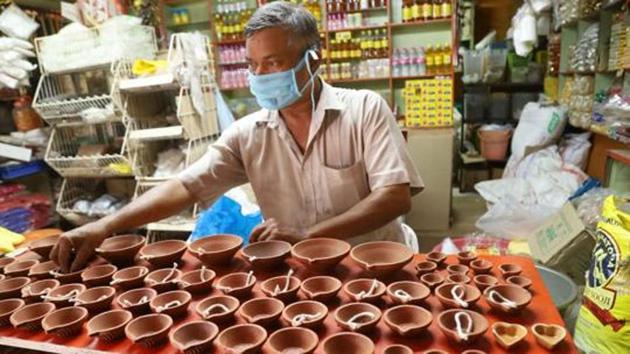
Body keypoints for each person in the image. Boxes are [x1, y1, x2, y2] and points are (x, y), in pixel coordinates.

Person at [50, 1, 424, 273]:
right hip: (299, 272)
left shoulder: (364, 110)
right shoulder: (250, 133)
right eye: (253, 65)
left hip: (374, 266)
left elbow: (394, 196)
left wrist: (309, 233)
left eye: (274, 63)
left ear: (313, 59)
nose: (260, 75)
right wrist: (104, 225)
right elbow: (187, 186)